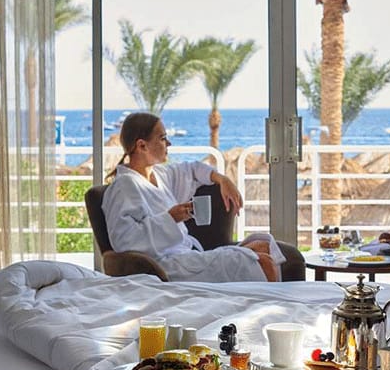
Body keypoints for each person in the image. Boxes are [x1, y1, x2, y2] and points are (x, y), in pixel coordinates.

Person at [102, 112, 285, 282]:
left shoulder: (160, 175)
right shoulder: (124, 187)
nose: (169, 143)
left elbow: (193, 169)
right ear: (142, 146)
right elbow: (125, 242)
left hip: (188, 257)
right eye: (163, 138)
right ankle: (271, 302)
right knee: (265, 264)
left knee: (263, 246)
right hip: (166, 266)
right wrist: (171, 218)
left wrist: (222, 179)